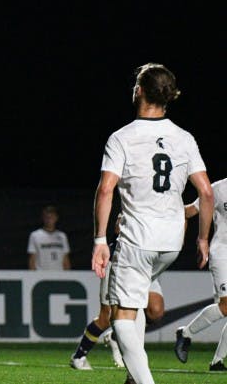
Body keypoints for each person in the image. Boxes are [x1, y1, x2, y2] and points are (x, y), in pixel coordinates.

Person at [91, 62, 214, 384]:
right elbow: (205, 193)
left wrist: (100, 240)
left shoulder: (123, 137)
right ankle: (134, 378)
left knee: (121, 316)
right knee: (140, 300)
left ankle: (144, 381)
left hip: (137, 238)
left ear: (140, 91)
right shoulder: (184, 138)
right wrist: (202, 240)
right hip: (172, 241)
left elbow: (105, 189)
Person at [70, 208, 191, 370]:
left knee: (156, 311)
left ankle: (116, 336)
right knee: (106, 318)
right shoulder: (137, 201)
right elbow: (119, 227)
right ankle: (78, 356)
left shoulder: (168, 205)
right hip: (121, 262)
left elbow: (187, 213)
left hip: (147, 266)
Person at [174, 180, 227, 371]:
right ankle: (185, 333)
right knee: (226, 305)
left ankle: (217, 362)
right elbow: (191, 211)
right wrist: (159, 209)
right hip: (223, 253)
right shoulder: (219, 189)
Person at [27, 205, 71, 270]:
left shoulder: (62, 236)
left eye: (52, 217)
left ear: (56, 218)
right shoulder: (35, 235)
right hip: (42, 274)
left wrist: (68, 275)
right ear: (43, 218)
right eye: (47, 217)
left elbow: (65, 258)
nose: (49, 220)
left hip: (59, 274)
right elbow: (32, 259)